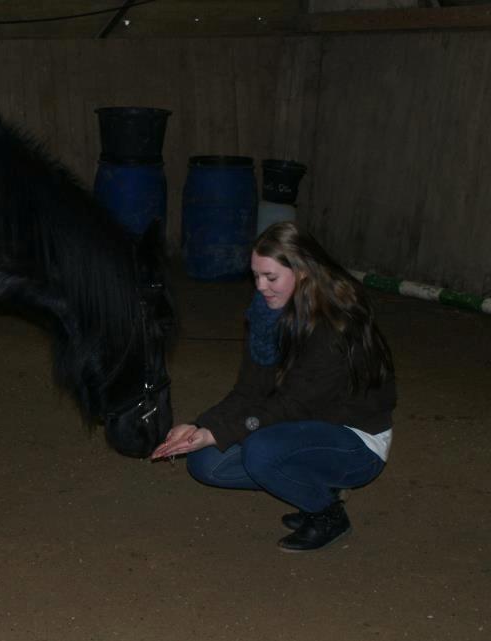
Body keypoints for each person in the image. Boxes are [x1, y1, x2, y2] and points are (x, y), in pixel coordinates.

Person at [152, 221, 396, 552]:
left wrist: (219, 432)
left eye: (270, 277)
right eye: (255, 276)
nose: (260, 286)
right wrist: (201, 426)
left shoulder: (334, 326)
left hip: (355, 441)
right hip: (304, 426)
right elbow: (249, 391)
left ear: (303, 273)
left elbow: (291, 406)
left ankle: (327, 514)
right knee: (205, 462)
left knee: (261, 450)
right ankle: (315, 486)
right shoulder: (267, 315)